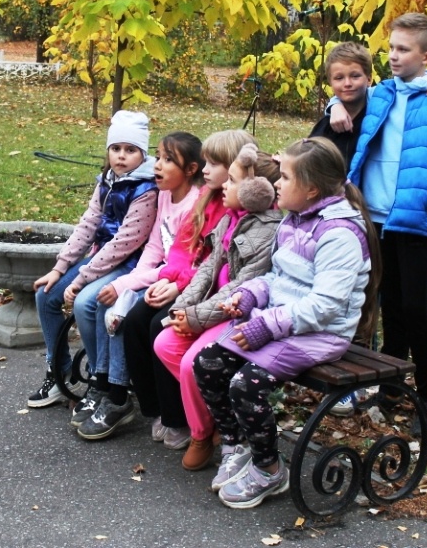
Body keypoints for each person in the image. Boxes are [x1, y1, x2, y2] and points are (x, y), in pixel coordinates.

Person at [193, 137, 380, 509]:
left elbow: (325, 305)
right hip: (284, 322)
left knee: (245, 386)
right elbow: (280, 278)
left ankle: (268, 469)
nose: (277, 183)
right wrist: (252, 295)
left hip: (321, 333)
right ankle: (237, 445)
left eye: (286, 177)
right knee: (208, 362)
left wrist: (267, 325)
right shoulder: (294, 221)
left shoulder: (338, 233)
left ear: (311, 189)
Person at [338, 13, 427, 432]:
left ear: (426, 56)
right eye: (391, 48)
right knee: (389, 309)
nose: (393, 56)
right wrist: (332, 104)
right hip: (373, 221)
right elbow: (346, 99)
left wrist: (425, 197)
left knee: (417, 311)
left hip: (414, 225)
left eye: (403, 50)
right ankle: (392, 389)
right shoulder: (380, 95)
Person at [121, 129, 253, 450]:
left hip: (213, 294)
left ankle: (178, 417)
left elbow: (215, 264)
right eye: (205, 162)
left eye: (213, 163)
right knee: (136, 320)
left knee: (158, 325)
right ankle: (157, 410)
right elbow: (183, 249)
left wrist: (178, 289)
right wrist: (168, 280)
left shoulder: (239, 206)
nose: (205, 169)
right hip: (189, 285)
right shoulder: (207, 198)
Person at [29, 111, 158, 435]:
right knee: (45, 295)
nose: (121, 156)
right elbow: (88, 225)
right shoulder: (107, 181)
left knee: (88, 302)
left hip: (127, 263)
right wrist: (60, 269)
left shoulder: (146, 188)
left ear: (142, 153)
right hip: (98, 258)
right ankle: (60, 374)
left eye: (130, 150)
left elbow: (127, 242)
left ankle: (103, 381)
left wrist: (82, 276)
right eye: (116, 149)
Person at [68, 131, 203, 437]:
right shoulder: (165, 194)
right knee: (110, 304)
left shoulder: (196, 204)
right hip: (155, 274)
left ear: (190, 170)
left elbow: (181, 262)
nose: (157, 164)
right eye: (159, 155)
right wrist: (128, 285)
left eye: (168, 159)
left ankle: (121, 396)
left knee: (124, 316)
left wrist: (126, 287)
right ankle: (105, 385)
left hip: (176, 281)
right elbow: (155, 248)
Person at [156, 143, 282, 471]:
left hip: (235, 312)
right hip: (209, 308)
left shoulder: (267, 232)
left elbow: (238, 287)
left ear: (255, 191)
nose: (224, 184)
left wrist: (195, 318)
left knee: (190, 364)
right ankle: (217, 414)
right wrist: (181, 309)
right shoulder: (231, 218)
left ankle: (202, 433)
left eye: (234, 181)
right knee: (164, 343)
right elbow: (209, 269)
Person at [309, 42, 373, 164]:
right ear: (330, 83)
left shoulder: (378, 117)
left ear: (369, 79)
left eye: (355, 76)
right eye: (339, 78)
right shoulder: (326, 127)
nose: (347, 83)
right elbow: (307, 161)